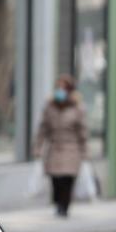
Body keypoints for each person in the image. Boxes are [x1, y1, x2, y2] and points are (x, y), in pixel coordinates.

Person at [33, 75, 88, 218]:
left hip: (71, 149)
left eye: (64, 88)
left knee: (67, 179)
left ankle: (64, 206)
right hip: (54, 148)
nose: (61, 91)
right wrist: (38, 147)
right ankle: (58, 203)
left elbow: (82, 131)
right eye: (59, 87)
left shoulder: (77, 108)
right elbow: (43, 128)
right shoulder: (50, 107)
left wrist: (84, 150)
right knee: (56, 179)